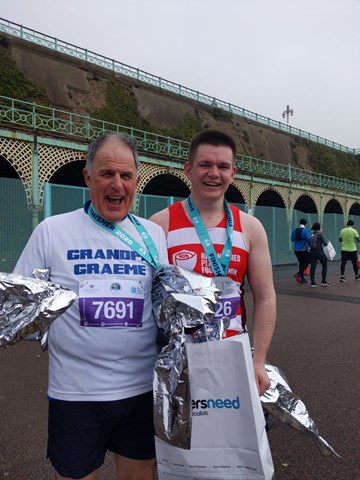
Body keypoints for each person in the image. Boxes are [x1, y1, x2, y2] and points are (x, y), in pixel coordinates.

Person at [13, 133, 168, 480]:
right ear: (88, 177)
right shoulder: (51, 231)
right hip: (75, 391)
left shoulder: (152, 235)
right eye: (106, 174)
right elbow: (20, 312)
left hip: (140, 388)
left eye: (126, 176)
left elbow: (162, 306)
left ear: (136, 181)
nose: (117, 184)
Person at [149, 129, 276, 396]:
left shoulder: (250, 228)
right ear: (189, 169)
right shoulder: (160, 224)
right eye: (205, 164)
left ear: (233, 173)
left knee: (235, 437)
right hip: (178, 359)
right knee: (181, 437)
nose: (214, 173)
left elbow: (265, 297)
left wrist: (259, 360)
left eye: (223, 166)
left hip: (234, 353)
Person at [308, 222, 330, 287]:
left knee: (313, 267)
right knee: (324, 265)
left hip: (312, 252)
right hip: (319, 251)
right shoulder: (320, 234)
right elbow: (325, 243)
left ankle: (312, 282)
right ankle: (323, 281)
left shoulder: (311, 233)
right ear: (319, 227)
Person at [291, 218, 311, 284]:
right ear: (305, 224)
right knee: (307, 262)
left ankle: (302, 279)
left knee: (301, 263)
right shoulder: (305, 230)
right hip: (304, 249)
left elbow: (292, 239)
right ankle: (298, 274)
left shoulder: (294, 230)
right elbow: (308, 239)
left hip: (296, 249)